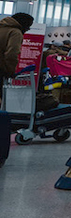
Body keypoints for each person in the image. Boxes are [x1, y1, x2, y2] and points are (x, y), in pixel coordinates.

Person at [1, 12, 35, 169]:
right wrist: (10, 71)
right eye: (28, 26)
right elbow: (12, 53)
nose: (27, 30)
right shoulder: (15, 32)